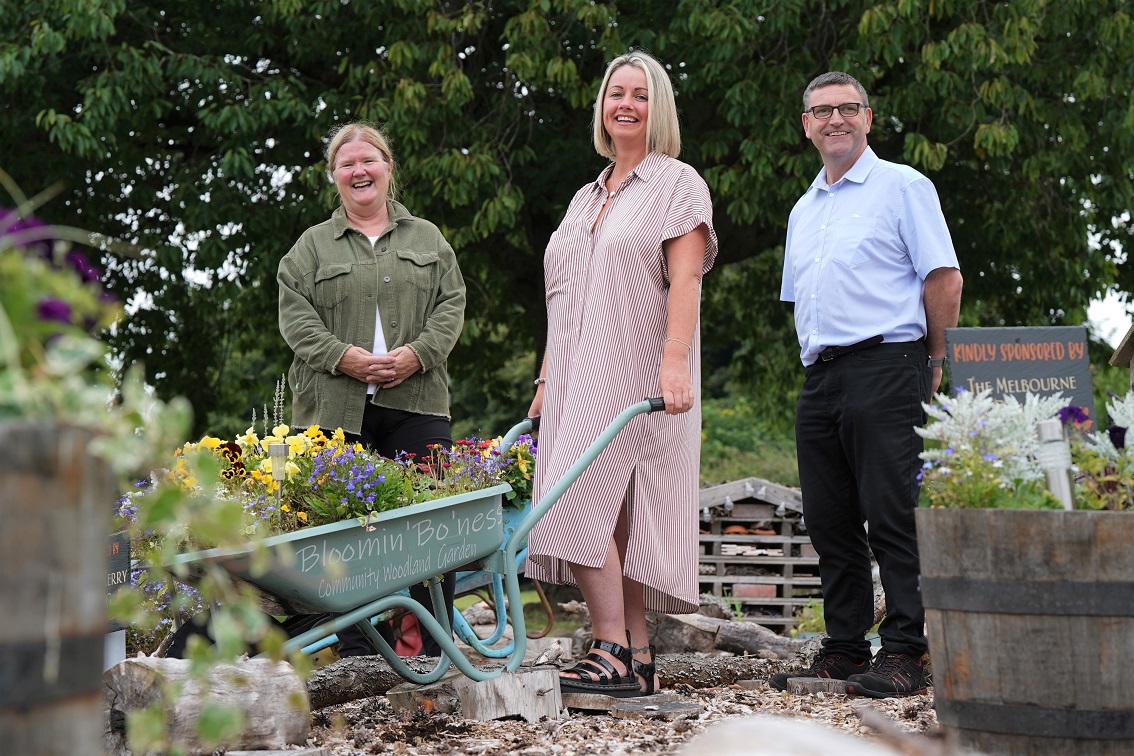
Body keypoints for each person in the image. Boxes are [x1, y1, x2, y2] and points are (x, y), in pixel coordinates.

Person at [525, 50, 717, 698]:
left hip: (638, 369)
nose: (626, 104)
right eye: (616, 94)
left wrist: (673, 361)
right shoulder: (586, 194)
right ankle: (633, 658)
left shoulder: (677, 183)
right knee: (605, 513)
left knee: (585, 502)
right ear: (602, 107)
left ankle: (608, 645)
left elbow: (685, 278)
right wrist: (547, 378)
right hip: (576, 377)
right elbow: (563, 295)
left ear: (655, 106)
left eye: (639, 94)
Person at [773, 72, 963, 698]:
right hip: (821, 375)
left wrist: (936, 360)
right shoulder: (804, 209)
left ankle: (908, 650)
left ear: (868, 118)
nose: (835, 120)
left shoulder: (903, 186)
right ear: (806, 125)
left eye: (848, 109)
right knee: (829, 520)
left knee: (891, 514)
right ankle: (846, 649)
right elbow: (804, 301)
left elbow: (943, 277)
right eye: (822, 111)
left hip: (889, 364)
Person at [277, 122, 466, 657]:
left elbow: (452, 305)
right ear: (334, 176)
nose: (359, 170)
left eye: (370, 160)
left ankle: (430, 646)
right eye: (347, 164)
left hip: (418, 403)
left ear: (387, 167)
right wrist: (345, 358)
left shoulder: (428, 239)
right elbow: (295, 317)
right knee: (343, 533)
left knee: (429, 523)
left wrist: (417, 355)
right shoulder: (310, 248)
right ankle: (360, 652)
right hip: (332, 407)